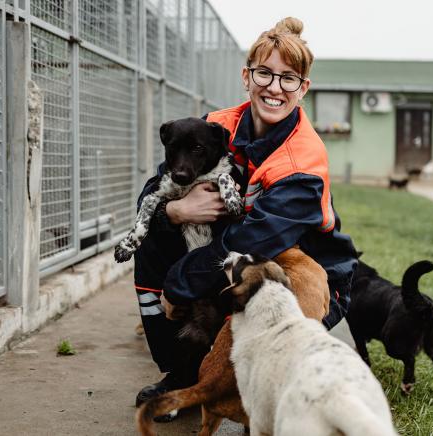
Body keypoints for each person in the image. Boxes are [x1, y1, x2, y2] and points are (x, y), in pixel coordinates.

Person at [130, 17, 359, 411]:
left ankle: (285, 388)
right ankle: (180, 370)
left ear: (302, 89)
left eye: (288, 78)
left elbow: (251, 241)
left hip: (301, 265)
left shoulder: (304, 158)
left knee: (267, 352)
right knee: (155, 227)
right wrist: (176, 209)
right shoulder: (216, 126)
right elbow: (156, 186)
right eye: (265, 73)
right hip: (234, 255)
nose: (274, 87)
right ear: (246, 76)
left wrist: (177, 284)